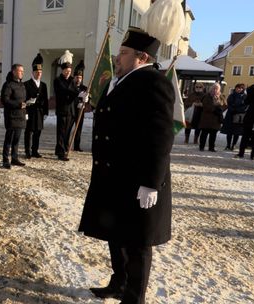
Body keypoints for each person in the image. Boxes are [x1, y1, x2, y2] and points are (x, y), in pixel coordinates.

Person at [79, 26, 175, 304]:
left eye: (123, 52)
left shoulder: (154, 82)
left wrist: (151, 183)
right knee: (115, 236)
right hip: (115, 178)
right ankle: (118, 283)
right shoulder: (121, 81)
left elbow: (161, 136)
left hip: (136, 180)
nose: (116, 58)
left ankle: (134, 298)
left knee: (137, 244)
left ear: (142, 56)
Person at [54, 50, 79, 161]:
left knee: (67, 132)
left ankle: (61, 148)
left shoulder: (72, 80)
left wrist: (82, 96)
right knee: (61, 132)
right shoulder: (58, 80)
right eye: (66, 71)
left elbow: (75, 91)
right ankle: (60, 152)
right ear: (62, 70)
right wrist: (76, 93)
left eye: (70, 71)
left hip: (71, 110)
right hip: (62, 109)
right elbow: (63, 92)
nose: (68, 72)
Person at [1, 64, 27, 169]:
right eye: (20, 71)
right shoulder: (8, 85)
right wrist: (18, 105)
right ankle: (5, 160)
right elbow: (4, 100)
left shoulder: (22, 84)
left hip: (21, 116)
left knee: (16, 139)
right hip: (11, 116)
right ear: (14, 72)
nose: (22, 73)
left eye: (22, 71)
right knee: (9, 140)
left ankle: (14, 158)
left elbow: (23, 98)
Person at [23, 53, 49, 159]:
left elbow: (46, 99)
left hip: (39, 112)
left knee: (38, 132)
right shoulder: (26, 84)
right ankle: (27, 151)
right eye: (37, 72)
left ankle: (35, 150)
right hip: (30, 111)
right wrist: (27, 103)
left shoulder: (44, 85)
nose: (39, 73)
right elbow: (23, 98)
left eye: (40, 72)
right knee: (29, 132)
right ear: (33, 72)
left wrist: (46, 112)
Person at [237, 72, 254, 160]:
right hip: (251, 113)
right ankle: (241, 153)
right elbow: (246, 101)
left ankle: (253, 154)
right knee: (246, 134)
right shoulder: (253, 87)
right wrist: (251, 93)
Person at [198, 83, 226, 152]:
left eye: (217, 88)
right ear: (211, 88)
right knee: (204, 134)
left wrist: (220, 108)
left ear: (219, 89)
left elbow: (225, 105)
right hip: (206, 118)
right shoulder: (207, 96)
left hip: (216, 119)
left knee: (213, 135)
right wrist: (214, 109)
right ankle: (201, 147)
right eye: (214, 88)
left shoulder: (221, 96)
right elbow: (205, 105)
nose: (215, 90)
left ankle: (211, 147)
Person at [220, 83, 246, 150]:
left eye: (241, 88)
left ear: (243, 89)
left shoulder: (245, 96)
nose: (239, 89)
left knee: (236, 132)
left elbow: (245, 106)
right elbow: (229, 104)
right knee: (229, 131)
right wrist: (233, 109)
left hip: (239, 116)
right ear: (235, 88)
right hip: (230, 115)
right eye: (238, 88)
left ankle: (233, 145)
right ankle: (228, 145)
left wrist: (238, 110)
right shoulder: (231, 95)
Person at [71, 60, 89, 152]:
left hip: (80, 111)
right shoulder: (71, 86)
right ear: (74, 77)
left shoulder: (84, 88)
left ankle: (77, 146)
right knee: (68, 129)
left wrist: (85, 101)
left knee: (78, 129)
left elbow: (87, 99)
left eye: (80, 78)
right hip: (71, 111)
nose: (78, 79)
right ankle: (67, 145)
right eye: (77, 77)